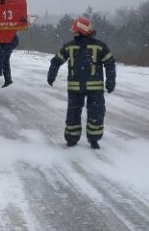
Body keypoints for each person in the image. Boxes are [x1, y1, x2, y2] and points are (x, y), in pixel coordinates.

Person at [47, 16, 116, 149]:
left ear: (81, 31)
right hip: (93, 89)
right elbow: (110, 63)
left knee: (74, 113)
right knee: (95, 113)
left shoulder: (70, 46)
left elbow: (56, 61)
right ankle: (92, 139)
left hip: (76, 88)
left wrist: (51, 75)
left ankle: (73, 139)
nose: (73, 33)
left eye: (75, 31)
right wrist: (110, 81)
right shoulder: (100, 46)